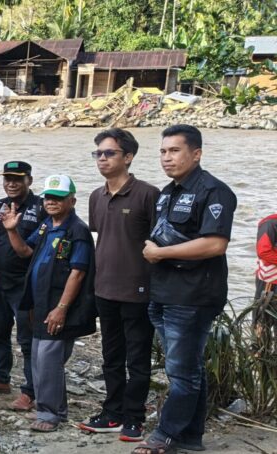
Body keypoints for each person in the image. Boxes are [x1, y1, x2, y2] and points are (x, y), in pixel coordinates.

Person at [136, 125, 237, 454]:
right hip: (164, 292)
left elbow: (215, 244)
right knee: (188, 368)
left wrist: (161, 253)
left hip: (193, 296)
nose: (167, 157)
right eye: (163, 151)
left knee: (181, 372)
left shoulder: (214, 192)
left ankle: (165, 435)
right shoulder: (168, 192)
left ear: (196, 154)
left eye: (174, 150)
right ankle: (191, 436)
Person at [78, 128, 160, 442]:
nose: (102, 158)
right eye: (98, 153)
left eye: (109, 153)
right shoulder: (96, 196)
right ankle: (112, 413)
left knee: (137, 358)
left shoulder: (148, 194)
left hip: (138, 290)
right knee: (111, 356)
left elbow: (160, 242)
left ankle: (134, 418)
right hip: (104, 288)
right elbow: (103, 236)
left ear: (128, 157)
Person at [2, 174, 96, 433]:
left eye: (58, 198)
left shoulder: (77, 230)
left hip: (59, 306)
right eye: (48, 198)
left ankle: (49, 414)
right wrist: (12, 230)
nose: (51, 202)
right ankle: (56, 410)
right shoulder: (46, 225)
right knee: (39, 359)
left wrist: (61, 309)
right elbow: (25, 251)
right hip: (40, 304)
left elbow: (78, 273)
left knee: (48, 361)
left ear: (72, 200)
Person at [0, 161, 45, 413]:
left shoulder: (40, 208)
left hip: (26, 285)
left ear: (29, 180)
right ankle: (1, 378)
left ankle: (30, 392)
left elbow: (33, 251)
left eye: (17, 179)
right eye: (8, 179)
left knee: (27, 340)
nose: (11, 184)